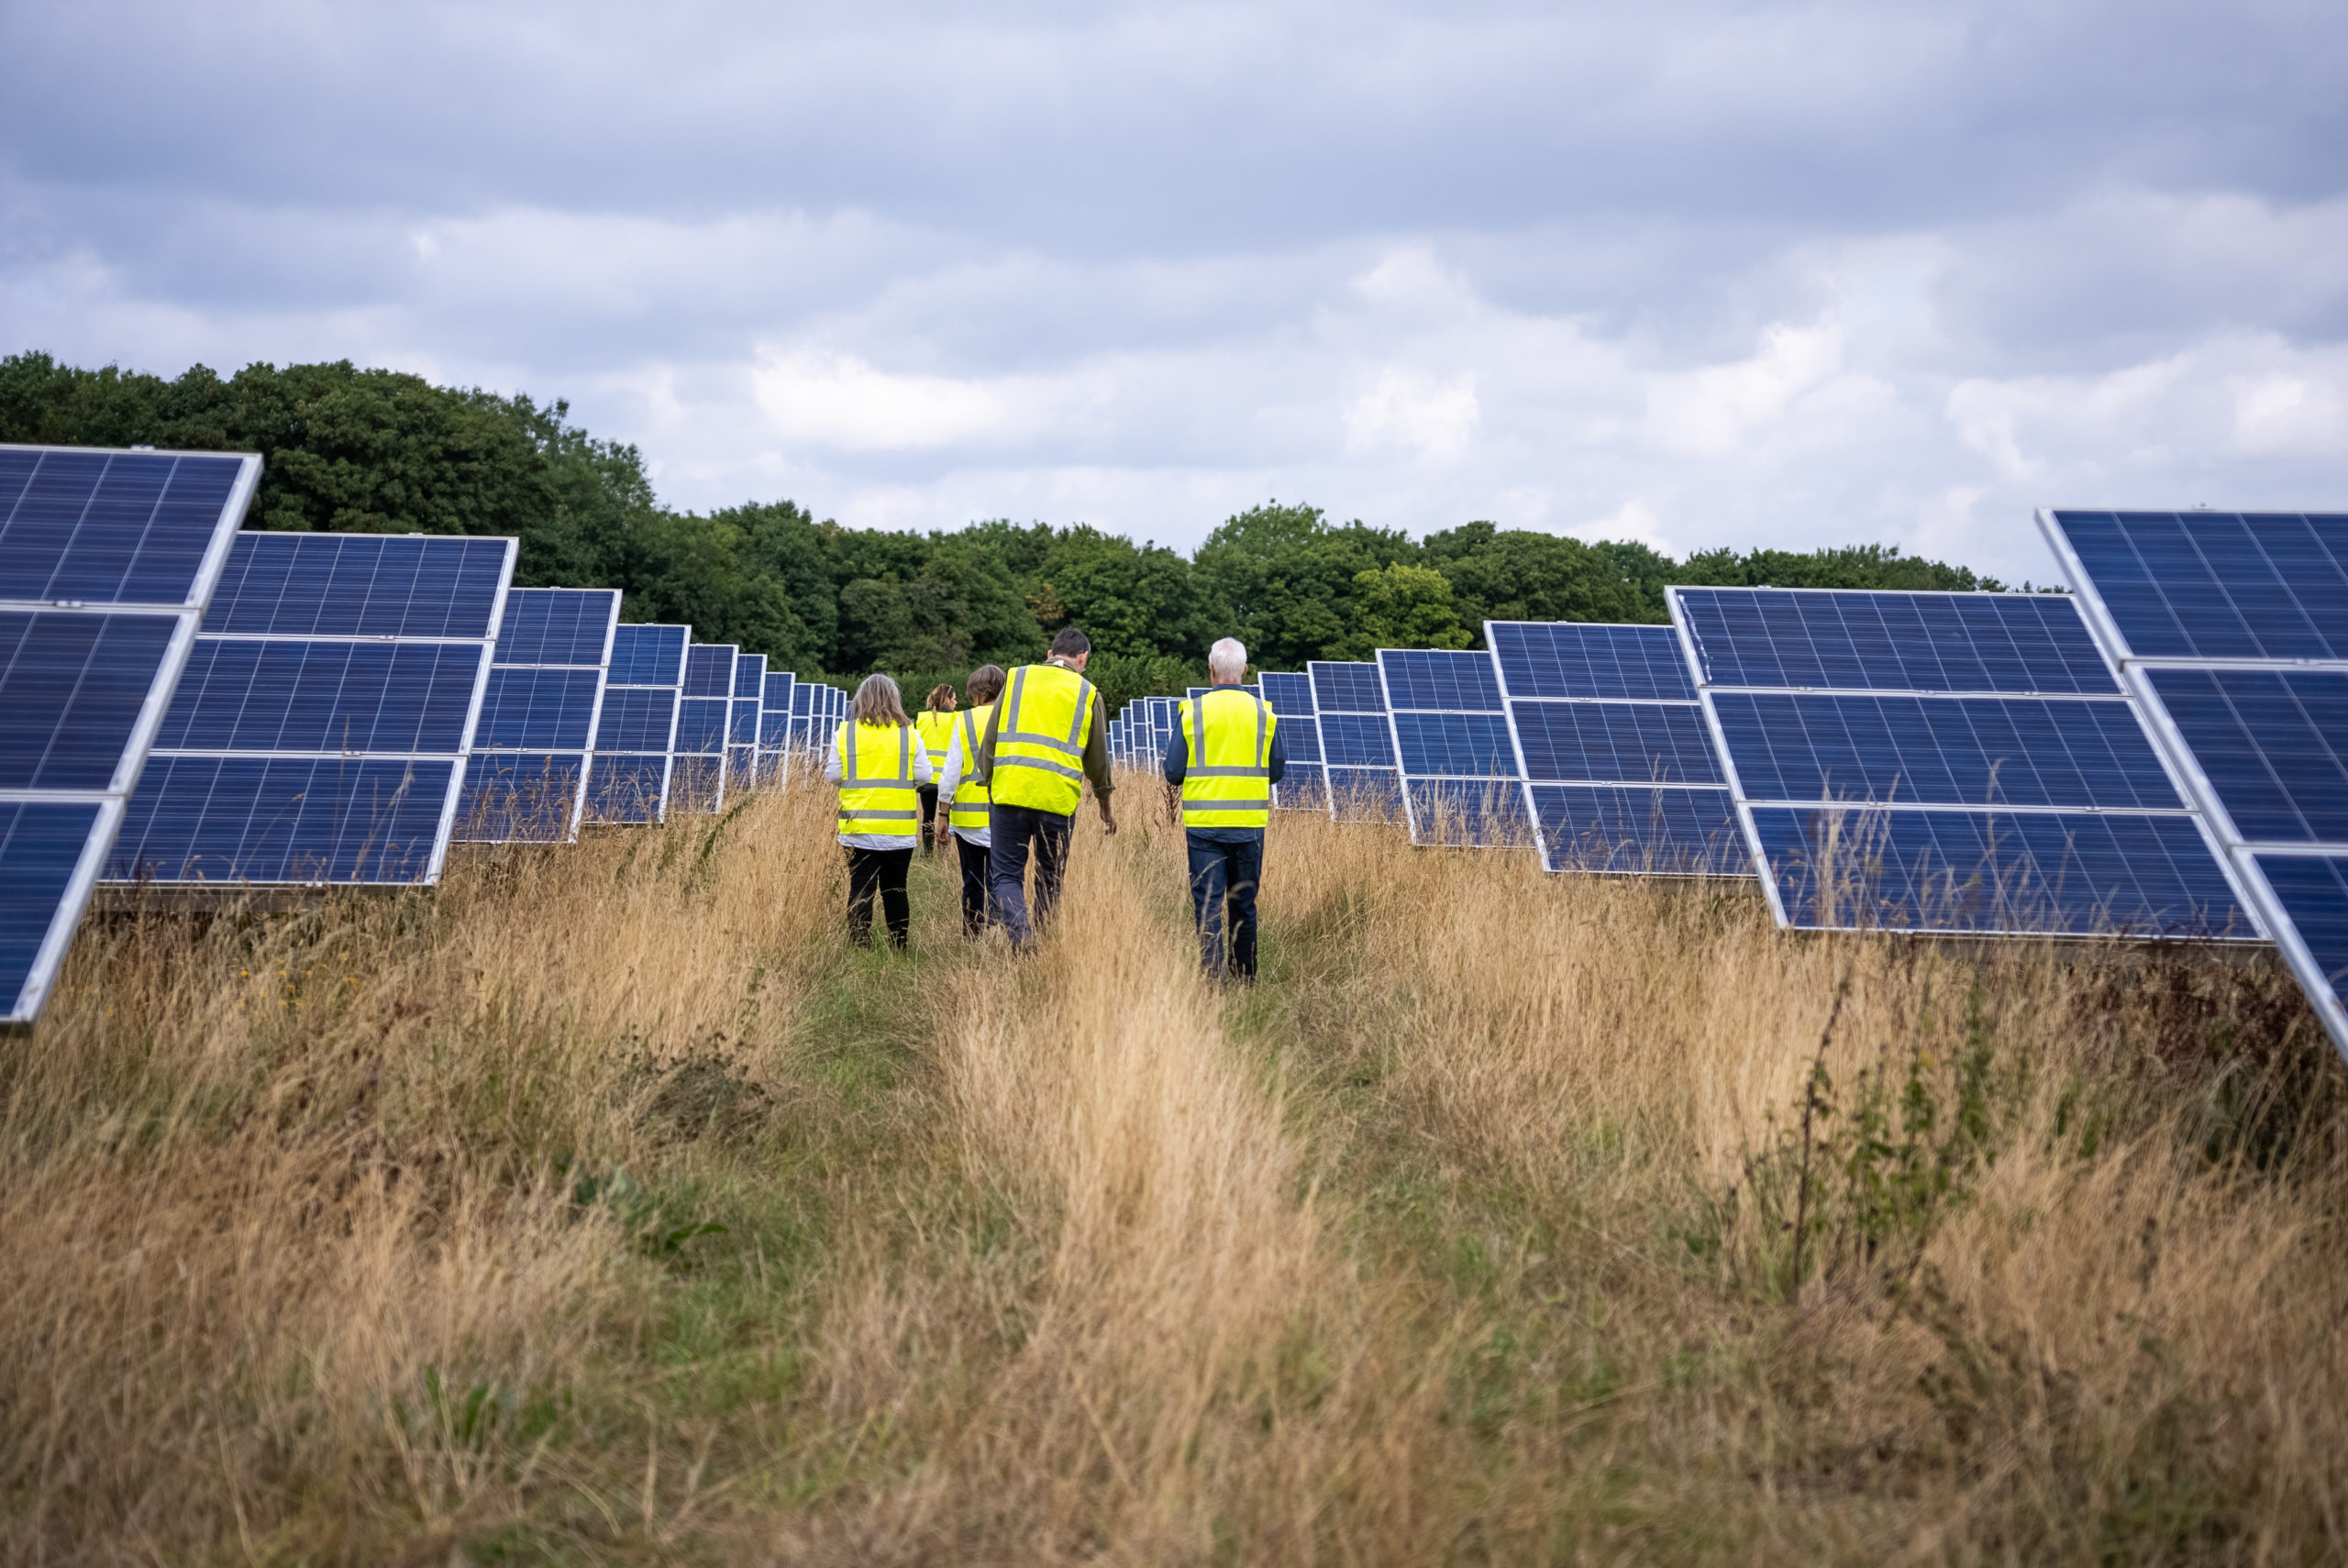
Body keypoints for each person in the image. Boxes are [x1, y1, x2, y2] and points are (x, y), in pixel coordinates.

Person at [972, 627, 1117, 948]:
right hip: (1057, 801)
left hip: (1009, 794)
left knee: (1006, 875)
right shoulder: (1088, 693)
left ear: (1050, 654)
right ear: (1083, 658)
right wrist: (1105, 804)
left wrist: (990, 782)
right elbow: (1097, 760)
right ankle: (1043, 945)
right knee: (1050, 878)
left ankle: (1020, 935)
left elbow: (990, 740)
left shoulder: (1016, 678)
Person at [1163, 637, 1285, 980]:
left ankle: (1212, 979)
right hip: (1248, 824)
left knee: (1208, 904)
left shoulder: (1193, 712)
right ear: (1245, 671)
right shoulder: (1264, 713)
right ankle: (1245, 976)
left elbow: (1173, 772)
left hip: (1205, 825)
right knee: (1243, 903)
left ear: (1211, 669)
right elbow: (1276, 771)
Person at [825, 673, 933, 949]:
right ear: (895, 699)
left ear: (860, 699)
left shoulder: (845, 733)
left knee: (861, 886)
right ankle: (899, 944)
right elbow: (924, 776)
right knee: (896, 888)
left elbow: (833, 775)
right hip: (898, 830)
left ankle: (860, 944)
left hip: (857, 827)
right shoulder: (910, 734)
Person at [936, 664, 1006, 935]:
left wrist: (943, 813)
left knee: (973, 881)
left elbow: (950, 774)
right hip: (1006, 816)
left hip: (969, 822)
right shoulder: (1013, 718)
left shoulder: (964, 720)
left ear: (976, 691)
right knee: (1002, 879)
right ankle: (997, 932)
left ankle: (973, 933)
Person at [912, 683, 959, 856]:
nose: (956, 702)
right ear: (947, 700)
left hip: (928, 778)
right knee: (945, 816)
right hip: (947, 778)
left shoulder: (922, 719)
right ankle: (943, 853)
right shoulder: (956, 719)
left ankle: (927, 851)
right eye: (954, 699)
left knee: (928, 816)